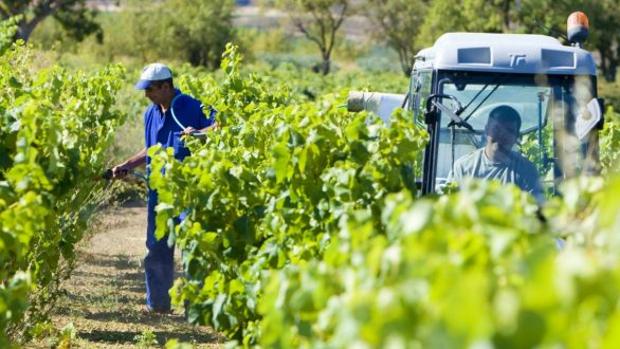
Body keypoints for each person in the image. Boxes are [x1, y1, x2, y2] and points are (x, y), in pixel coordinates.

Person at [111, 63, 217, 313]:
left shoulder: (191, 106)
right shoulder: (151, 113)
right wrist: (127, 164)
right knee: (156, 247)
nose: (146, 94)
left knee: (192, 247)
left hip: (189, 189)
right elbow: (152, 148)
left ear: (166, 86)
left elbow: (220, 126)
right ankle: (158, 305)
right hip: (159, 191)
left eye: (150, 89)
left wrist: (200, 133)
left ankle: (196, 308)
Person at [448, 105, 544, 202]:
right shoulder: (463, 167)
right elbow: (451, 206)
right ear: (487, 130)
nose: (502, 135)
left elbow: (535, 211)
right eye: (497, 129)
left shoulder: (526, 170)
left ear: (516, 137)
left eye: (509, 131)